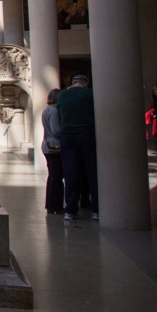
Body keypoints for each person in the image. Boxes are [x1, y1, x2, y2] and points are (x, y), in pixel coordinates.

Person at [57, 75, 98, 221]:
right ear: (86, 83)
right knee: (92, 171)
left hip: (67, 135)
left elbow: (60, 116)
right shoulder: (91, 94)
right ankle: (97, 209)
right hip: (87, 134)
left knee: (70, 173)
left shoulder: (62, 95)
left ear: (73, 83)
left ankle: (70, 209)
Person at [41, 88, 64, 215]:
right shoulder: (54, 111)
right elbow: (56, 130)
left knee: (53, 176)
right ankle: (55, 205)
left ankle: (51, 205)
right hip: (54, 146)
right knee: (56, 177)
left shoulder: (46, 110)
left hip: (47, 145)